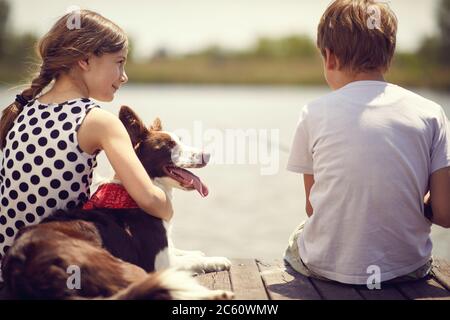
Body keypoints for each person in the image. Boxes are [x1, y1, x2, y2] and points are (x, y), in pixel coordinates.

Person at [284, 0, 450, 285]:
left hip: (327, 268)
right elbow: (445, 214)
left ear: (329, 57)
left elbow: (313, 208)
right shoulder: (431, 112)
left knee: (299, 234)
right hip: (406, 269)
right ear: (389, 56)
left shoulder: (313, 112)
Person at [0, 10, 173, 278]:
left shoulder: (22, 109)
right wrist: (167, 201)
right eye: (119, 62)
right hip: (52, 270)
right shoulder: (96, 120)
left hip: (8, 270)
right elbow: (150, 200)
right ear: (85, 60)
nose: (124, 75)